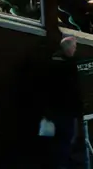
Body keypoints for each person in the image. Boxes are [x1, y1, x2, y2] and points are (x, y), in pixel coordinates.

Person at [36, 36, 85, 168]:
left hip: (51, 110)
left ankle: (59, 162)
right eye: (74, 47)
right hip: (66, 110)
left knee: (56, 139)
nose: (75, 50)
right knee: (66, 137)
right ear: (69, 48)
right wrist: (79, 110)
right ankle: (62, 164)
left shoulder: (50, 62)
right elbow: (74, 89)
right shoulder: (68, 65)